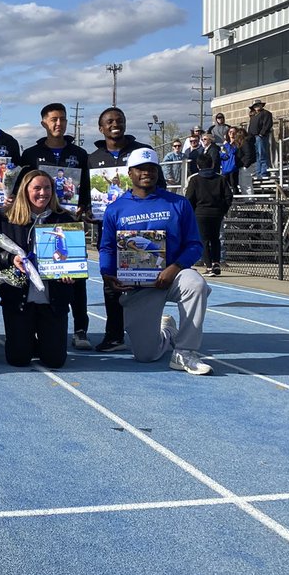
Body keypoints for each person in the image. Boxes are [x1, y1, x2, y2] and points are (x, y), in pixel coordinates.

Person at [99, 148, 212, 375]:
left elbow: (195, 245)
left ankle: (185, 351)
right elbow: (108, 247)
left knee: (196, 284)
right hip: (138, 285)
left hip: (174, 276)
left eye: (151, 168)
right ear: (130, 173)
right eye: (140, 169)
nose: (146, 173)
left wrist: (175, 267)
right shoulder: (115, 209)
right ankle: (167, 331)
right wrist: (107, 273)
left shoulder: (178, 204)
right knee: (146, 355)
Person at [19, 102, 93, 350]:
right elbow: (23, 186)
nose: (58, 123)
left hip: (68, 220)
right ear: (44, 123)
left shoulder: (79, 154)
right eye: (53, 119)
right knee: (39, 272)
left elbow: (86, 188)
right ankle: (34, 326)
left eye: (62, 119)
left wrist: (83, 206)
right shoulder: (31, 154)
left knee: (75, 276)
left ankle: (80, 328)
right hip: (38, 220)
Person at [0, 169, 72, 369]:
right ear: (25, 190)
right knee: (18, 359)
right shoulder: (5, 218)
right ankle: (26, 340)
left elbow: (76, 257)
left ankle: (44, 340)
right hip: (19, 299)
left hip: (53, 299)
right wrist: (10, 258)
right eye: (37, 188)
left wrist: (72, 275)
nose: (43, 193)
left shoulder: (65, 219)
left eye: (47, 188)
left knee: (54, 361)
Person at [86, 107, 155, 353]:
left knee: (145, 284)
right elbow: (86, 196)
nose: (115, 124)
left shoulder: (142, 151)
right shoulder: (93, 158)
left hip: (141, 230)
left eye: (120, 120)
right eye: (110, 121)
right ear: (101, 127)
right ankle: (114, 335)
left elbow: (158, 186)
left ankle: (149, 332)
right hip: (109, 232)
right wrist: (87, 211)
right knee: (111, 284)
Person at [184, 151, 233, 277]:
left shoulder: (194, 180)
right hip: (217, 213)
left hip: (200, 213)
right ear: (212, 164)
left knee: (203, 240)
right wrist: (223, 209)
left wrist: (192, 212)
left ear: (198, 166)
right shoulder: (221, 179)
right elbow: (228, 196)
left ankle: (209, 266)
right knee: (215, 238)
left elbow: (189, 198)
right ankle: (216, 262)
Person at [248, 100, 273, 178]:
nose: (256, 107)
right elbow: (250, 127)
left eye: (258, 105)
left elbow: (267, 125)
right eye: (255, 106)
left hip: (260, 137)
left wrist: (261, 134)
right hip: (254, 138)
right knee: (257, 156)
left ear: (261, 105)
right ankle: (258, 172)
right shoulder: (253, 116)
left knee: (262, 154)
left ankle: (264, 172)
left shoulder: (266, 113)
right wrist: (249, 137)